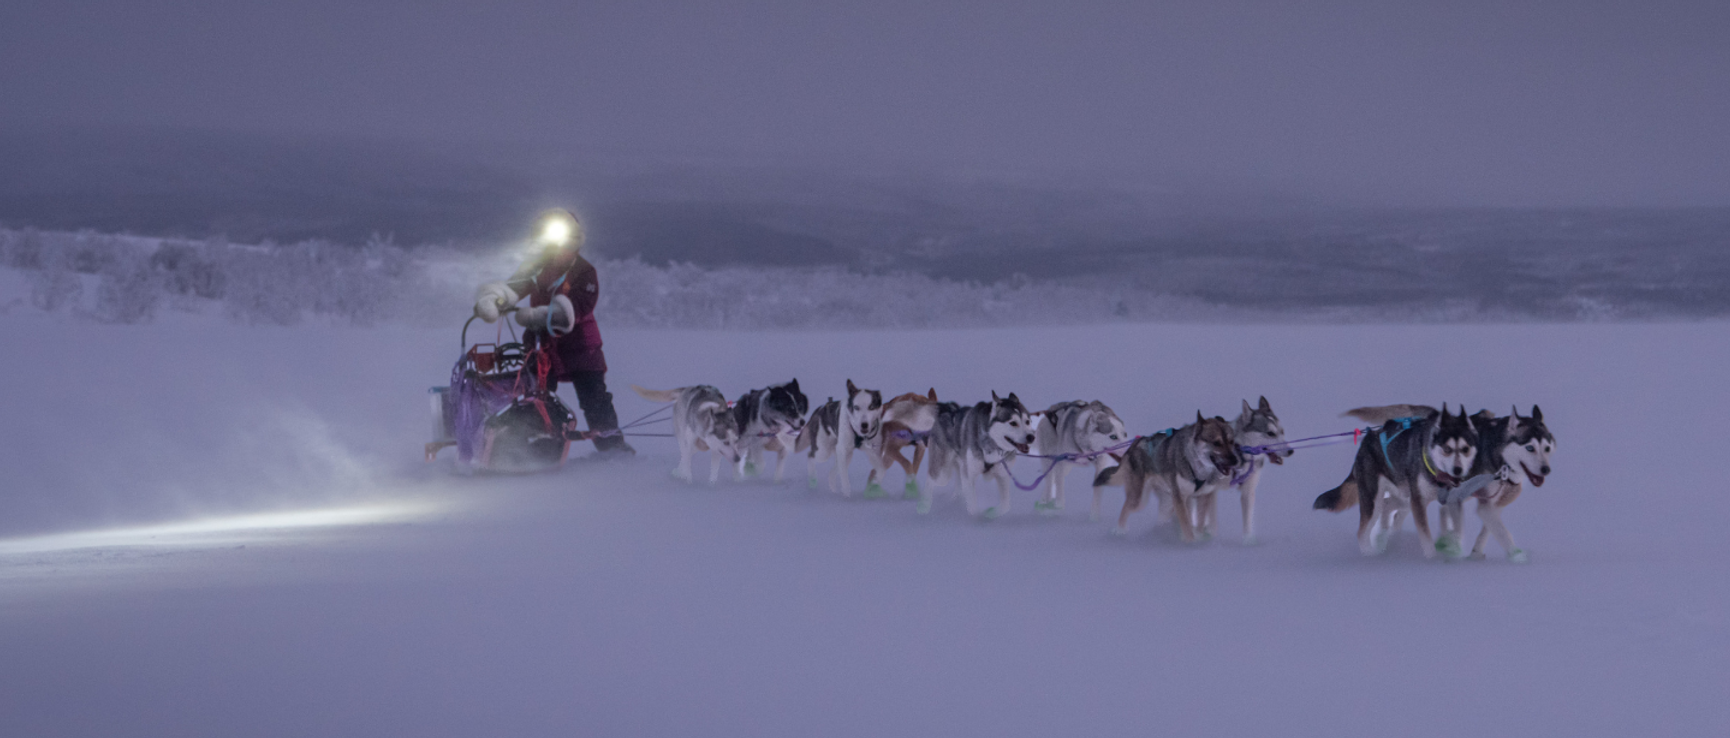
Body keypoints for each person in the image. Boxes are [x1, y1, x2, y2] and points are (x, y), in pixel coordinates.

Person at [473, 209, 633, 457]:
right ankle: (533, 446)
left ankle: (613, 449)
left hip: (581, 346)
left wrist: (540, 316)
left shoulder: (583, 271)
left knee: (594, 398)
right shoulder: (534, 267)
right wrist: (494, 300)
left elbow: (580, 306)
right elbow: (513, 288)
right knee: (534, 396)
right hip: (541, 345)